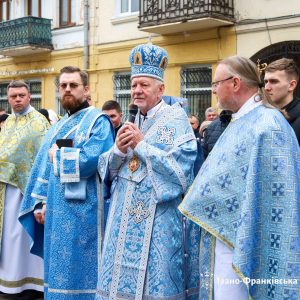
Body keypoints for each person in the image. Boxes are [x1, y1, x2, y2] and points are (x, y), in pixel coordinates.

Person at [179, 56, 300, 299]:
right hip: (224, 235)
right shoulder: (241, 121)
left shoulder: (268, 125)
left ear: (235, 83)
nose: (213, 91)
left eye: (216, 84)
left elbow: (278, 194)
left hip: (244, 239)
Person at [96, 43, 200, 299]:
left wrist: (142, 146)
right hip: (123, 215)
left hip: (158, 217)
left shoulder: (176, 121)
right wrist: (117, 152)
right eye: (133, 85)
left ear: (161, 88)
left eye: (144, 85)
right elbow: (108, 167)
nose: (137, 91)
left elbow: (181, 173)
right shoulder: (131, 119)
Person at [19, 66, 115, 299]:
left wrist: (59, 156)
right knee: (57, 274)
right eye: (63, 86)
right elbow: (43, 165)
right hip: (56, 212)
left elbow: (93, 159)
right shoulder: (60, 125)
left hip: (85, 213)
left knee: (82, 274)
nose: (68, 90)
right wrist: (41, 202)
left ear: (86, 89)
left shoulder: (98, 121)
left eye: (73, 85)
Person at [0, 80, 49, 298]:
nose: (17, 99)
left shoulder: (39, 122)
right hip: (5, 191)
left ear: (29, 96)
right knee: (9, 239)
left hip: (25, 191)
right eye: (13, 96)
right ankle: (9, 280)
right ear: (8, 99)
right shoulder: (8, 122)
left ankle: (30, 283)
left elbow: (41, 157)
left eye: (21, 95)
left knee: (22, 236)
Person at [264, 58, 300, 144]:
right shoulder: (261, 113)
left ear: (291, 85)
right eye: (266, 82)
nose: (266, 88)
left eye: (273, 81)